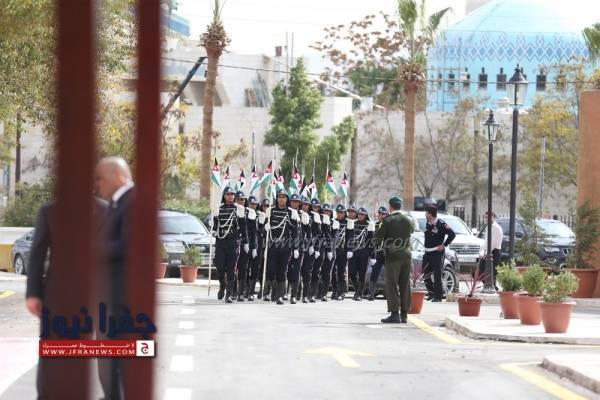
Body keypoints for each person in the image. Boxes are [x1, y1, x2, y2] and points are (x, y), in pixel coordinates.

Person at [94, 156, 135, 399]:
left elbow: (128, 244)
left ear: (118, 176)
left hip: (121, 299)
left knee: (115, 363)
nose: (97, 185)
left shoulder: (132, 201)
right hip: (111, 298)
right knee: (109, 363)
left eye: (100, 179)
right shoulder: (117, 203)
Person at [373, 196, 414, 323]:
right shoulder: (409, 219)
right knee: (405, 285)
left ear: (390, 207)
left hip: (393, 256)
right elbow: (412, 231)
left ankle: (395, 314)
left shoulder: (388, 220)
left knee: (392, 285)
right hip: (407, 255)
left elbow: (378, 238)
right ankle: (404, 314)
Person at [211, 186, 247, 303]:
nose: (230, 196)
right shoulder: (219, 208)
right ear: (224, 196)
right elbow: (215, 227)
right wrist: (212, 223)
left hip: (233, 242)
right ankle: (222, 285)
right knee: (220, 268)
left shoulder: (238, 209)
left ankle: (229, 294)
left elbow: (243, 227)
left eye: (232, 194)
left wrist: (246, 242)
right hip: (221, 242)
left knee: (231, 269)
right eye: (228, 194)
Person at [264, 189, 298, 305]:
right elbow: (263, 229)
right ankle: (269, 292)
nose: (282, 199)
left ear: (286, 199)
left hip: (285, 246)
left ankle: (279, 296)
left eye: (284, 197)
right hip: (272, 245)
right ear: (277, 198)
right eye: (280, 197)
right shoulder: (271, 210)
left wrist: (295, 248)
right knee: (271, 269)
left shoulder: (291, 213)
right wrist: (265, 227)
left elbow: (295, 232)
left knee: (282, 271)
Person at [422, 205, 456, 302]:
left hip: (437, 253)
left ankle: (438, 296)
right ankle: (431, 293)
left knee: (437, 275)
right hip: (427, 253)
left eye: (426, 212)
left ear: (430, 213)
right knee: (425, 275)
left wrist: (444, 245)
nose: (425, 214)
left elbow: (452, 234)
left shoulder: (441, 224)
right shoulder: (428, 223)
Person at [347, 207, 375, 301]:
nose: (360, 216)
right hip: (353, 252)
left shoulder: (369, 225)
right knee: (352, 273)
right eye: (359, 214)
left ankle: (358, 294)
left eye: (362, 214)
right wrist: (349, 250)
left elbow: (372, 241)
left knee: (362, 274)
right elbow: (349, 238)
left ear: (366, 215)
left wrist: (373, 255)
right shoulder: (352, 223)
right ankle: (357, 290)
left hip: (364, 253)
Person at [233, 190, 251, 302]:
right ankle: (233, 291)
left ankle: (240, 293)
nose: (241, 201)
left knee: (243, 268)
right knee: (232, 268)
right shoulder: (231, 210)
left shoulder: (249, 212)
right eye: (239, 199)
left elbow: (251, 229)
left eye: (243, 199)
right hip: (233, 242)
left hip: (245, 243)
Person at [299, 196, 318, 303]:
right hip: (298, 246)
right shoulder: (296, 213)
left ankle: (306, 295)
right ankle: (297, 293)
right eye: (303, 204)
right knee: (296, 271)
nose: (304, 206)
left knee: (307, 272)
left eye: (306, 205)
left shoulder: (314, 216)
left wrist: (314, 246)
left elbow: (317, 233)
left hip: (309, 247)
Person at [368, 206, 388, 301]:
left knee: (390, 273)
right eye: (379, 214)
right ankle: (371, 293)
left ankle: (391, 292)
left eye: (383, 214)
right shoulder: (376, 225)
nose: (381, 215)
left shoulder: (389, 225)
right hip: (378, 252)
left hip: (387, 252)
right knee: (374, 272)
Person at [478, 211, 503, 289]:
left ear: (493, 217)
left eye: (489, 217)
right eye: (485, 217)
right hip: (487, 251)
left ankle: (492, 287)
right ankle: (489, 286)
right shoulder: (488, 227)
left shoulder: (497, 228)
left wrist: (486, 253)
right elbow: (486, 242)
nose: (487, 219)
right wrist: (482, 252)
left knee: (491, 272)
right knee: (481, 271)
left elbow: (494, 243)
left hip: (494, 252)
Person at [332, 204, 352, 300]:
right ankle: (335, 290)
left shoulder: (348, 223)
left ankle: (341, 292)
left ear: (344, 213)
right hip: (334, 250)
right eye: (338, 212)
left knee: (341, 272)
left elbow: (350, 237)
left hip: (343, 251)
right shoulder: (333, 221)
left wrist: (349, 250)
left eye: (341, 212)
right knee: (332, 271)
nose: (339, 214)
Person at [286, 193, 303, 304]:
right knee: (287, 271)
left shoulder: (303, 215)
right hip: (286, 245)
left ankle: (294, 295)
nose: (294, 203)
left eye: (296, 202)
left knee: (296, 270)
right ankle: (286, 291)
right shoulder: (286, 212)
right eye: (292, 201)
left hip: (299, 246)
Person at [318, 203, 336, 302]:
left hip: (330, 251)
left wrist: (329, 249)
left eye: (328, 211)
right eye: (324, 211)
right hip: (320, 249)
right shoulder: (318, 221)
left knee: (327, 273)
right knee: (318, 271)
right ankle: (318, 292)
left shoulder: (334, 223)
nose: (326, 213)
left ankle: (324, 293)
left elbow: (333, 238)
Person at [309, 198, 325, 302]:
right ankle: (306, 293)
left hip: (320, 247)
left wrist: (318, 248)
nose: (315, 208)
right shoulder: (308, 216)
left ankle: (314, 293)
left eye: (317, 207)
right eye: (313, 206)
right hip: (308, 246)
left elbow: (324, 234)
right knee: (308, 271)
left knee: (317, 271)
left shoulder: (323, 218)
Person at [245, 195, 261, 301]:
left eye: (254, 204)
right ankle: (245, 290)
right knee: (245, 268)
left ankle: (251, 291)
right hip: (246, 244)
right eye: (251, 204)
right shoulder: (244, 214)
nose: (253, 206)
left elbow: (260, 230)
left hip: (257, 245)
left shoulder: (259, 215)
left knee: (255, 269)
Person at [257, 198, 271, 299]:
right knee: (260, 268)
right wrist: (261, 227)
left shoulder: (272, 217)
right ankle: (261, 288)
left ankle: (267, 290)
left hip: (270, 245)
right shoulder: (259, 216)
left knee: (269, 269)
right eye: (264, 206)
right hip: (259, 245)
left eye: (268, 206)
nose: (266, 208)